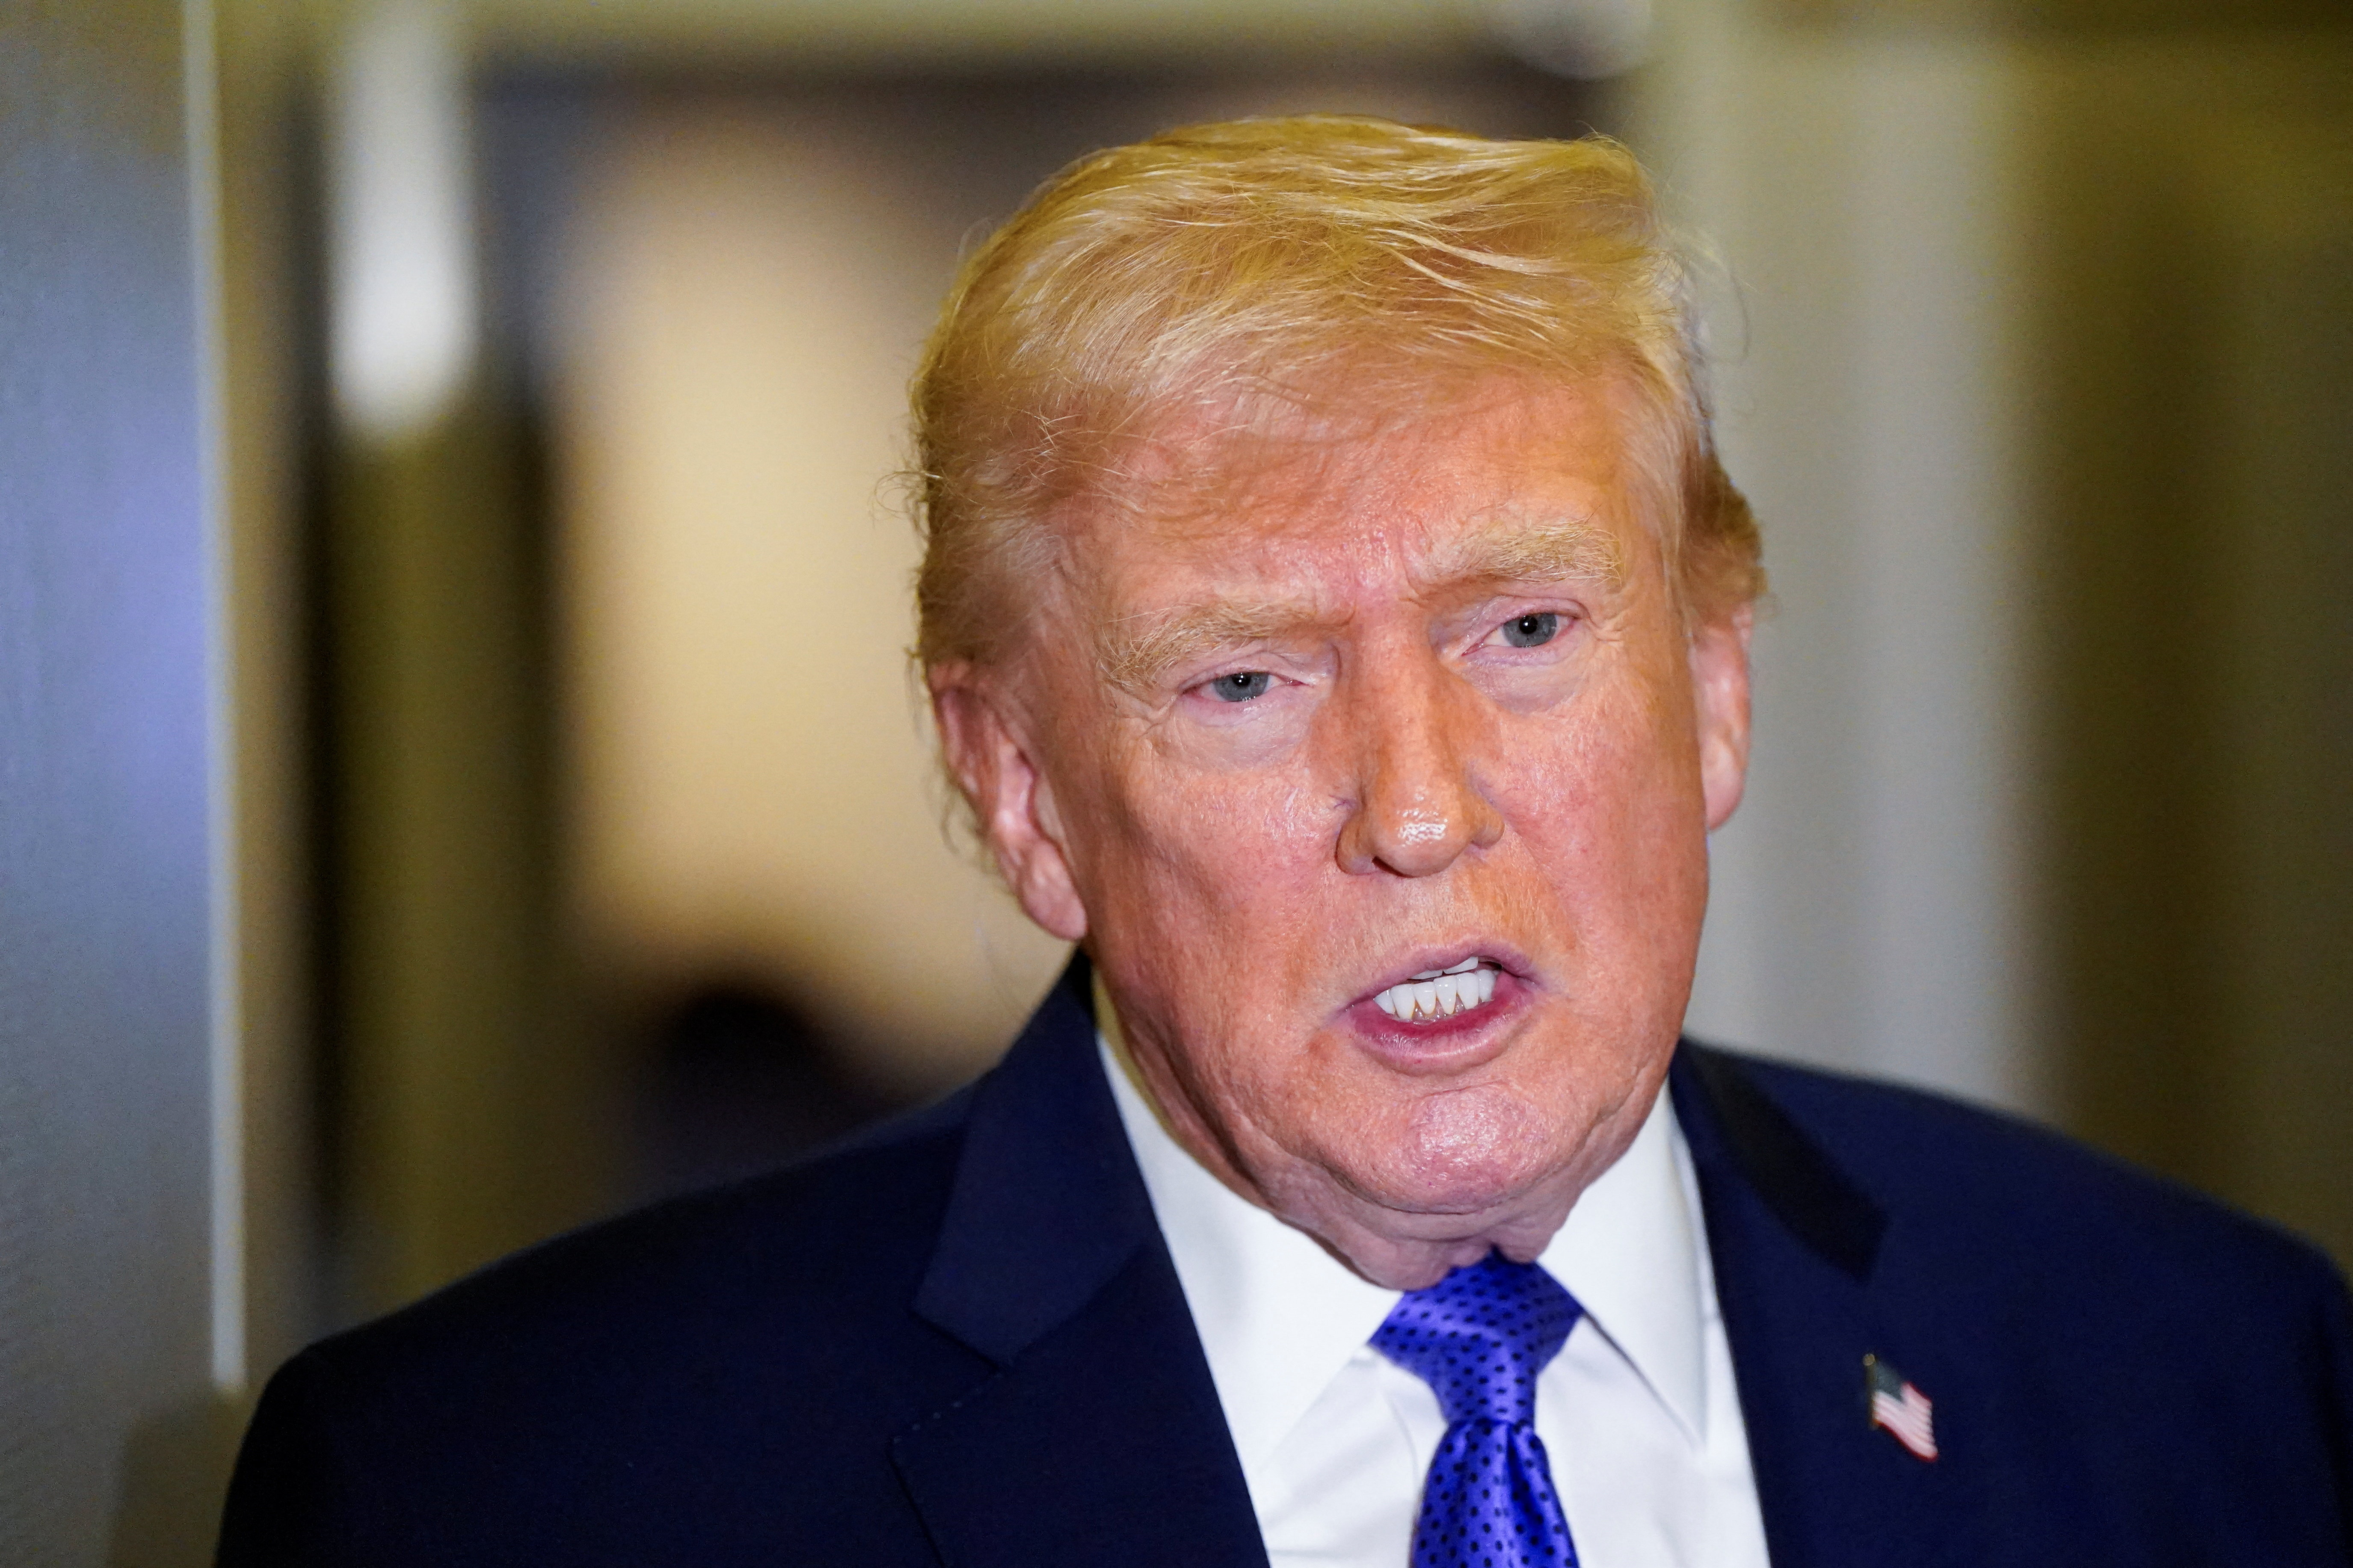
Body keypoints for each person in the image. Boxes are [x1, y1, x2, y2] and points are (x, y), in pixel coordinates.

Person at [217, 116, 2353, 1567]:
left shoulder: (2213, 1375)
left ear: (1712, 683)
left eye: (1521, 629)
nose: (1418, 806)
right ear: (1020, 791)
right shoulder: (502, 1487)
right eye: (1245, 679)